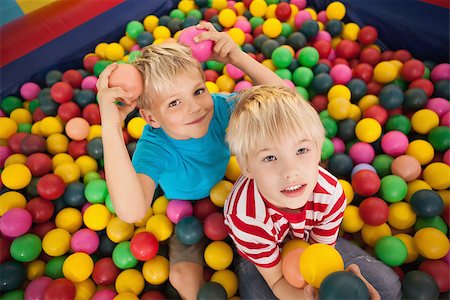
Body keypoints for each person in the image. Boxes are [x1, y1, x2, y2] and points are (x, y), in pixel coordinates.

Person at [96, 21, 286, 300]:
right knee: (181, 278)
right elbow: (132, 211)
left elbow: (284, 103)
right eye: (174, 103)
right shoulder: (153, 147)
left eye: (198, 92)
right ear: (151, 118)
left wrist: (237, 57)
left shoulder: (221, 109)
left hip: (232, 190)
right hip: (181, 210)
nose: (194, 107)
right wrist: (111, 127)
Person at [224, 86, 402, 300]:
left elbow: (321, 255)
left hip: (310, 244)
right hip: (263, 258)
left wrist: (336, 287)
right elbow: (277, 281)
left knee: (388, 287)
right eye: (269, 158)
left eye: (301, 150)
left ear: (319, 150)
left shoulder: (330, 195)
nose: (290, 171)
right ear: (247, 167)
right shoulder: (246, 216)